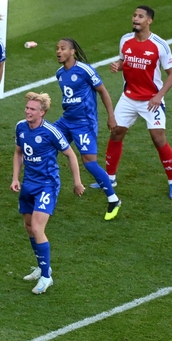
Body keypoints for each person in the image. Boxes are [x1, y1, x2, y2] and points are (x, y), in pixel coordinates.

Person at [97, 6, 172, 199]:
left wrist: (159, 96)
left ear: (149, 21)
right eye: (134, 15)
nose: (135, 19)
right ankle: (110, 178)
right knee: (116, 132)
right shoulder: (125, 40)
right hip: (128, 98)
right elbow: (123, 60)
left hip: (151, 100)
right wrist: (118, 65)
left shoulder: (159, 45)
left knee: (158, 138)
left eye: (140, 16)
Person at [11, 92, 84, 294]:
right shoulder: (20, 127)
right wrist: (15, 178)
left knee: (36, 227)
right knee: (28, 226)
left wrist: (77, 182)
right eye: (27, 108)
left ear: (42, 112)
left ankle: (46, 277)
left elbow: (70, 154)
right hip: (28, 184)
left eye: (32, 109)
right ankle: (43, 267)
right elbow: (18, 153)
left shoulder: (51, 131)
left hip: (47, 185)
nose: (28, 111)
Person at [54, 37, 121, 220]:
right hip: (66, 121)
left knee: (89, 161)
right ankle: (45, 190)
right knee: (46, 144)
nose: (59, 52)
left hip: (84, 123)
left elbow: (103, 91)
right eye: (57, 49)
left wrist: (111, 116)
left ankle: (113, 199)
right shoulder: (59, 73)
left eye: (63, 48)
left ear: (72, 51)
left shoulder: (85, 70)